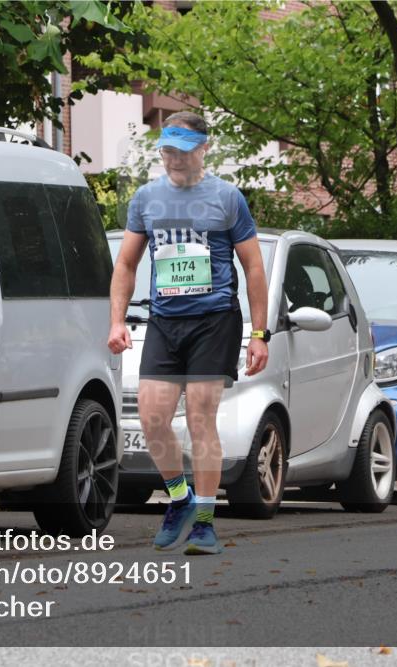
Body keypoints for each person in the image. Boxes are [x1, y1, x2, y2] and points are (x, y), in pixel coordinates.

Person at [108, 111, 269, 555]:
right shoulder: (146, 199)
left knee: (201, 417)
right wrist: (117, 320)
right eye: (166, 151)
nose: (174, 160)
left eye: (182, 152)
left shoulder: (227, 198)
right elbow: (126, 263)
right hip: (164, 320)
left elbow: (253, 267)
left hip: (214, 319)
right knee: (152, 417)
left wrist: (259, 333)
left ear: (204, 149)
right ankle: (179, 499)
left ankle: (203, 522)